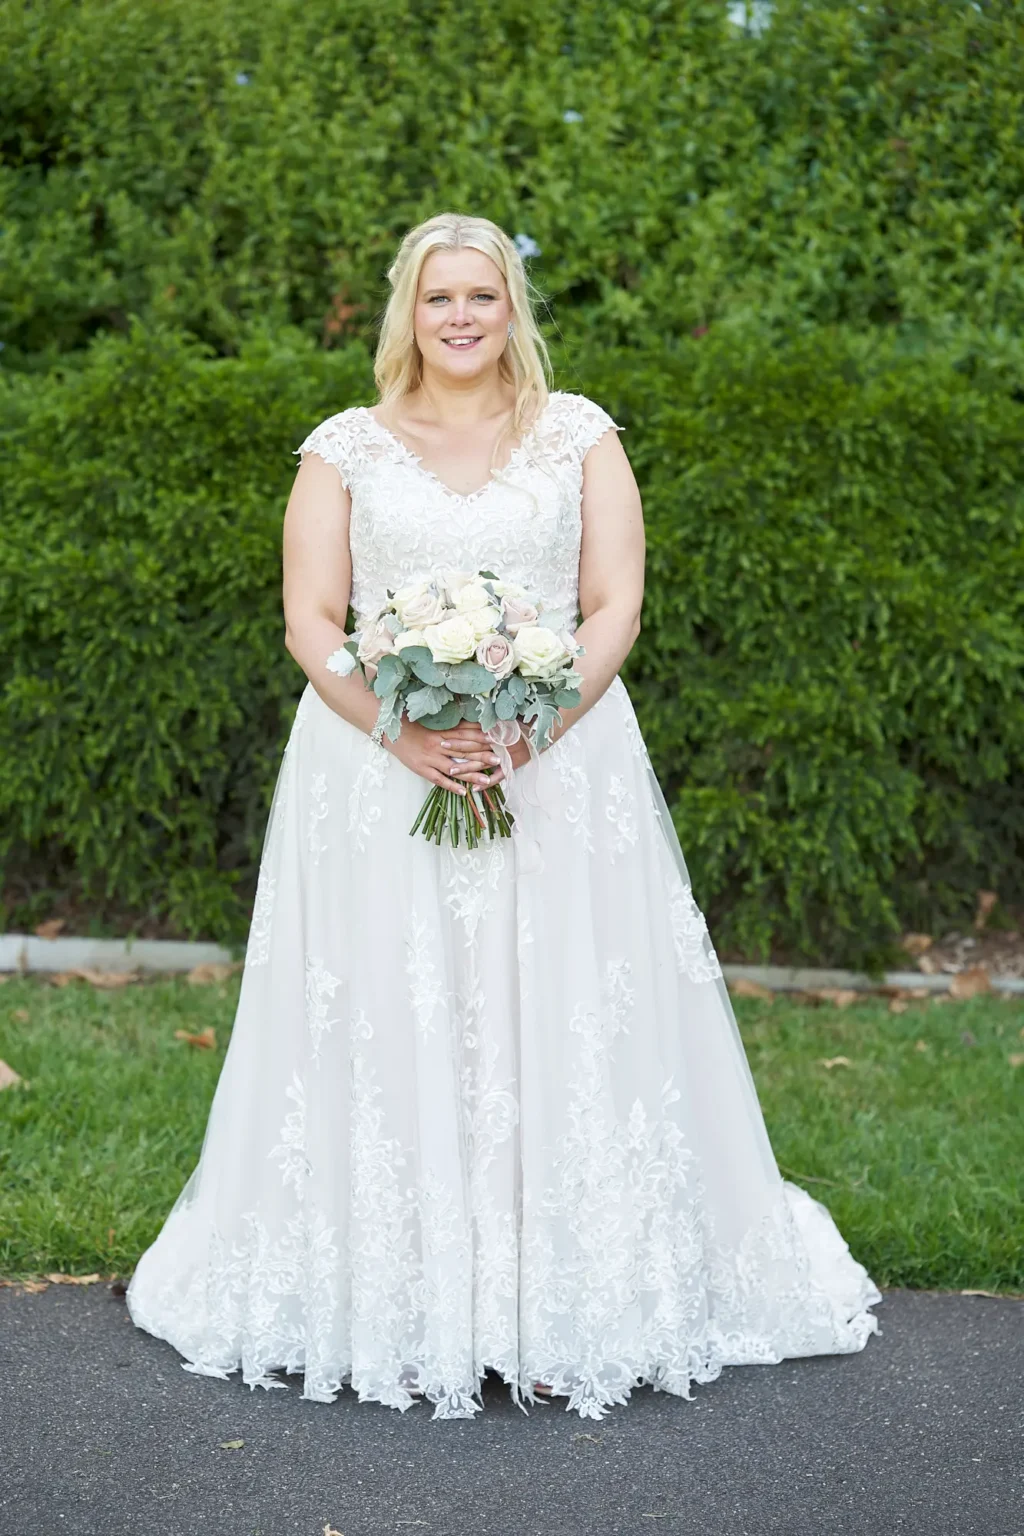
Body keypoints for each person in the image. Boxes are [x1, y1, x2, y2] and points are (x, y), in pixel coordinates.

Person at [127, 211, 880, 1420]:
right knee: (398, 1011)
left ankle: (560, 1305)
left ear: (510, 308)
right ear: (407, 313)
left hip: (559, 767)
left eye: (483, 295)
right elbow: (312, 621)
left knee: (558, 1012)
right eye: (440, 299)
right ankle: (407, 1299)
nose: (462, 316)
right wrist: (405, 731)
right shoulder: (345, 449)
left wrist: (531, 729)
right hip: (374, 773)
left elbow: (612, 605)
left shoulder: (578, 436)